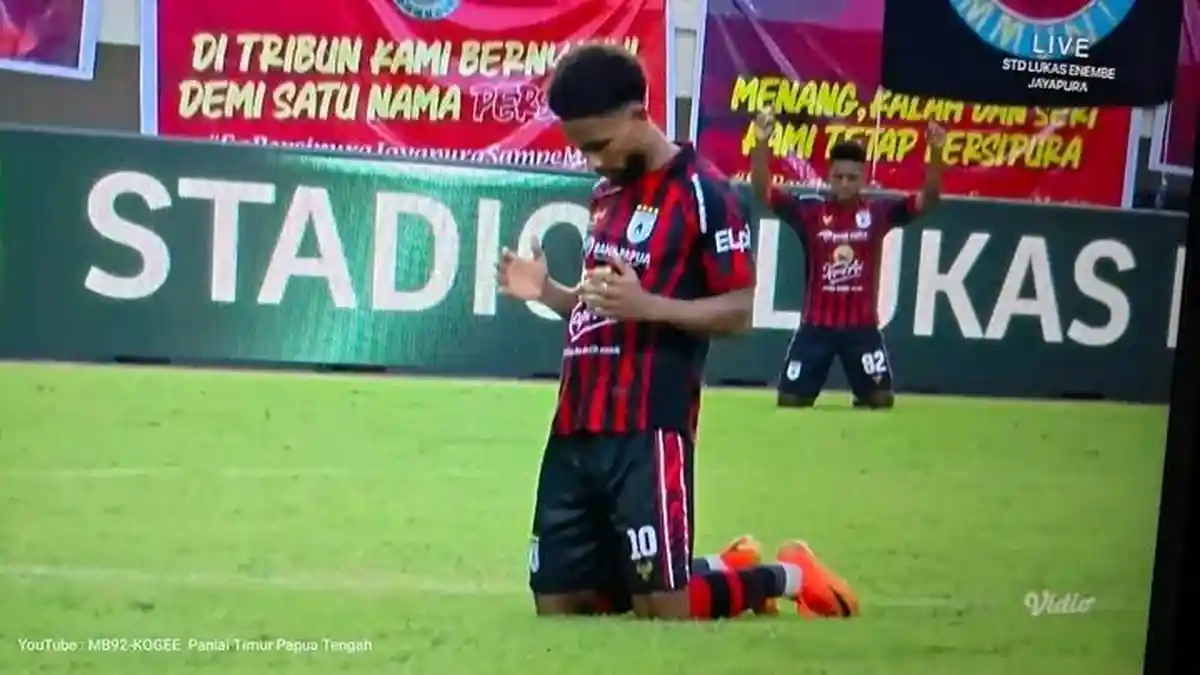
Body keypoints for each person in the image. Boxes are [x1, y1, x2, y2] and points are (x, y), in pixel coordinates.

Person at [496, 44, 858, 621]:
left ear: (638, 116)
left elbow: (740, 309)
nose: (591, 162)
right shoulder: (607, 193)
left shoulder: (704, 193)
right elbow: (602, 310)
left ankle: (787, 576)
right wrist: (547, 291)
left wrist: (650, 306)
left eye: (598, 145)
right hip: (575, 423)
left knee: (664, 609)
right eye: (581, 149)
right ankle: (714, 565)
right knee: (561, 604)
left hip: (648, 427)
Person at [750, 109, 945, 409]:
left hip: (862, 329)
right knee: (790, 400)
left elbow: (928, 200)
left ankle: (864, 390)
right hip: (816, 327)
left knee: (880, 401)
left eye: (852, 178)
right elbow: (762, 191)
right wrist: (761, 141)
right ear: (829, 176)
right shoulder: (810, 212)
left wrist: (936, 151)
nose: (844, 184)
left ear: (862, 179)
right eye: (839, 177)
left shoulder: (878, 213)